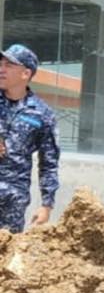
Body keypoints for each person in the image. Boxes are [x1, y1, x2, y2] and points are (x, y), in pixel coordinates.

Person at [0, 44, 60, 233]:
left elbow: (49, 163)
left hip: (12, 200)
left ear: (25, 74)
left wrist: (46, 205)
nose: (1, 69)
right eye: (1, 63)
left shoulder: (42, 114)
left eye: (9, 65)